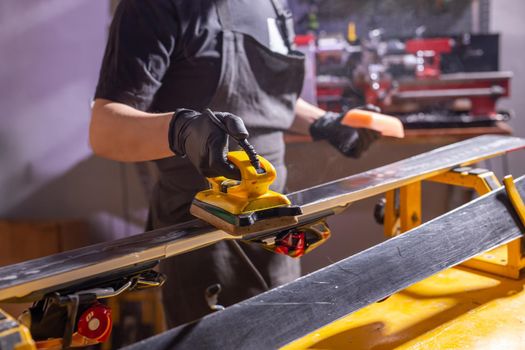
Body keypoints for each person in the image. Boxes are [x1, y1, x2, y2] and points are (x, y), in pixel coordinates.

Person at [90, 0, 379, 328]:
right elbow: (104, 129)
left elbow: (264, 97)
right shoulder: (153, 7)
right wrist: (181, 130)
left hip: (277, 226)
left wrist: (324, 123)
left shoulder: (271, 3)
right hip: (203, 234)